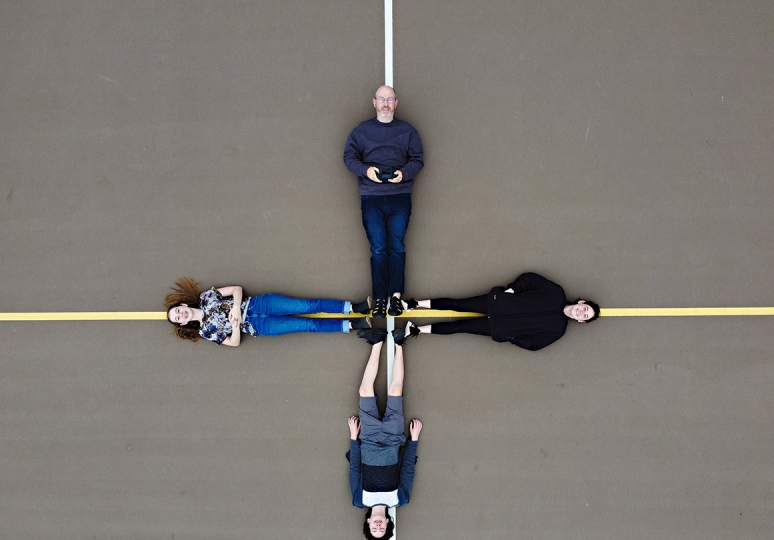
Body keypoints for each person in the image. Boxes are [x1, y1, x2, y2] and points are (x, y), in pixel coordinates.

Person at [343, 85, 424, 319]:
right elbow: (348, 157)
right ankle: (379, 300)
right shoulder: (362, 131)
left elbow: (418, 159)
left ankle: (396, 299)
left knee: (397, 246)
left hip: (400, 196)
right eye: (382, 99)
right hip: (371, 196)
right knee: (378, 249)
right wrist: (366, 171)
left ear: (396, 103)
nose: (386, 103)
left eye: (390, 99)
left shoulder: (408, 131)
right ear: (374, 102)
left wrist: (404, 173)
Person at [393, 272, 600, 351]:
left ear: (581, 321)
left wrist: (513, 336)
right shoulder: (556, 292)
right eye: (585, 309)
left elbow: (535, 345)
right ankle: (413, 304)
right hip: (497, 303)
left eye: (585, 316)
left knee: (459, 327)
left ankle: (416, 330)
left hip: (498, 328)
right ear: (581, 302)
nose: (581, 312)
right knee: (457, 304)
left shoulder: (558, 330)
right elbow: (531, 279)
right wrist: (512, 290)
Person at [346, 340, 422, 540]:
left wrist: (354, 437)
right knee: (396, 390)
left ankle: (377, 343)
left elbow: (355, 469)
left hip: (368, 437)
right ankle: (399, 345)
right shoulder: (399, 499)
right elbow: (407, 470)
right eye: (381, 529)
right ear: (388, 523)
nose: (378, 526)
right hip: (392, 437)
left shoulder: (360, 499)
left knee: (364, 390)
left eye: (374, 528)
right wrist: (413, 440)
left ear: (369, 520)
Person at [164, 277, 372, 347]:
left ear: (183, 306)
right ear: (182, 324)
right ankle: (353, 324)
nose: (180, 316)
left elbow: (236, 289)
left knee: (308, 305)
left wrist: (236, 307)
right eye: (177, 319)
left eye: (177, 312)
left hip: (258, 305)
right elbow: (233, 342)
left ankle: (354, 308)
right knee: (308, 325)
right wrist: (236, 326)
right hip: (259, 326)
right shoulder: (205, 332)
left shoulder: (206, 297)